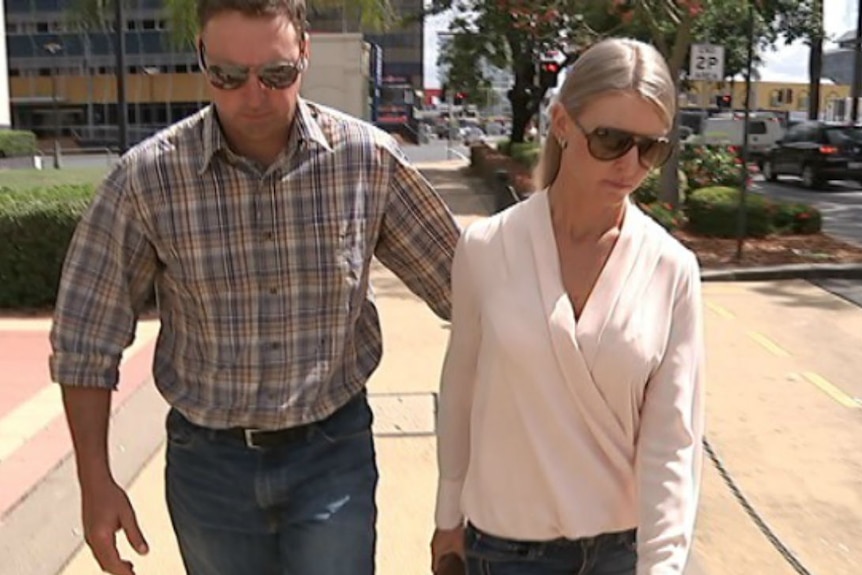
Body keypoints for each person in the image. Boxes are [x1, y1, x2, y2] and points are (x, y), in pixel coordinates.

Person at [49, 1, 460, 574]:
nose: (254, 95)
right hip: (208, 464)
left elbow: (470, 294)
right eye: (228, 75)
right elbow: (85, 340)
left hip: (331, 452)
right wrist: (95, 483)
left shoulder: (365, 163)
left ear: (305, 54)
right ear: (202, 61)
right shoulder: (146, 180)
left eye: (276, 74)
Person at [430, 38, 705, 575]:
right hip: (503, 549)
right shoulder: (488, 247)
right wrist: (446, 517)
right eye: (609, 139)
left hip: (623, 554)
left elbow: (673, 440)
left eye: (650, 148)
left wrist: (663, 565)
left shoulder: (672, 268)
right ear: (561, 123)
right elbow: (459, 391)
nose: (630, 164)